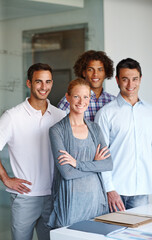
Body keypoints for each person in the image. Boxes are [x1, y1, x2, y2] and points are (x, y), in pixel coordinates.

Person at [0, 63, 65, 240]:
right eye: (39, 82)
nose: (44, 87)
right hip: (25, 198)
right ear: (29, 83)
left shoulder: (60, 116)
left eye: (48, 82)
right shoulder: (12, 117)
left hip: (53, 197)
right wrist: (6, 179)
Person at [95, 58, 152, 212]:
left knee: (140, 235)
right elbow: (100, 155)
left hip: (142, 191)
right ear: (117, 80)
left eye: (134, 79)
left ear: (140, 79)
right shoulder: (106, 113)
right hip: (116, 191)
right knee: (113, 235)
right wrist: (109, 189)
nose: (130, 85)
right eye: (125, 79)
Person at [48, 78, 113, 228]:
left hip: (96, 201)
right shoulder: (56, 131)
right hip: (70, 204)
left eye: (85, 97)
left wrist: (77, 164)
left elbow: (108, 164)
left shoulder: (95, 129)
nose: (81, 101)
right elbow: (67, 173)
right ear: (68, 97)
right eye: (76, 96)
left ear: (89, 99)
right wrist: (95, 165)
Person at [57, 50, 115, 121]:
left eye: (100, 70)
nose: (95, 74)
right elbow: (60, 129)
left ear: (105, 73)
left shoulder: (112, 101)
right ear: (84, 73)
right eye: (90, 70)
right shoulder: (68, 101)